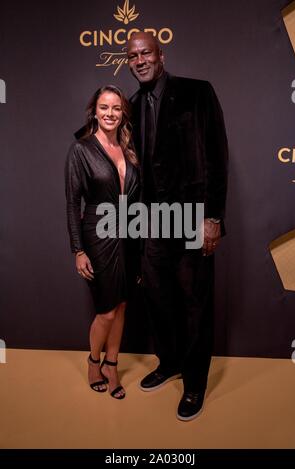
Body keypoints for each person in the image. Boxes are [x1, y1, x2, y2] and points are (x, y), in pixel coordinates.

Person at [126, 32, 228, 420]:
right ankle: (169, 362)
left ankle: (195, 384)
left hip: (191, 217)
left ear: (160, 55)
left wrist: (213, 217)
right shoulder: (131, 106)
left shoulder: (196, 93)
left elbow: (217, 156)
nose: (139, 61)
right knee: (159, 300)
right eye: (132, 56)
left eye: (146, 53)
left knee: (194, 304)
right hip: (151, 223)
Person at [65, 85, 139, 399]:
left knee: (122, 305)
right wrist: (78, 249)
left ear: (123, 114)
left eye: (116, 108)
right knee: (106, 311)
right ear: (94, 111)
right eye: (104, 107)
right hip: (98, 234)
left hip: (129, 235)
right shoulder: (81, 150)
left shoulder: (128, 147)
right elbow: (72, 204)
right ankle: (94, 362)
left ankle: (112, 364)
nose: (110, 114)